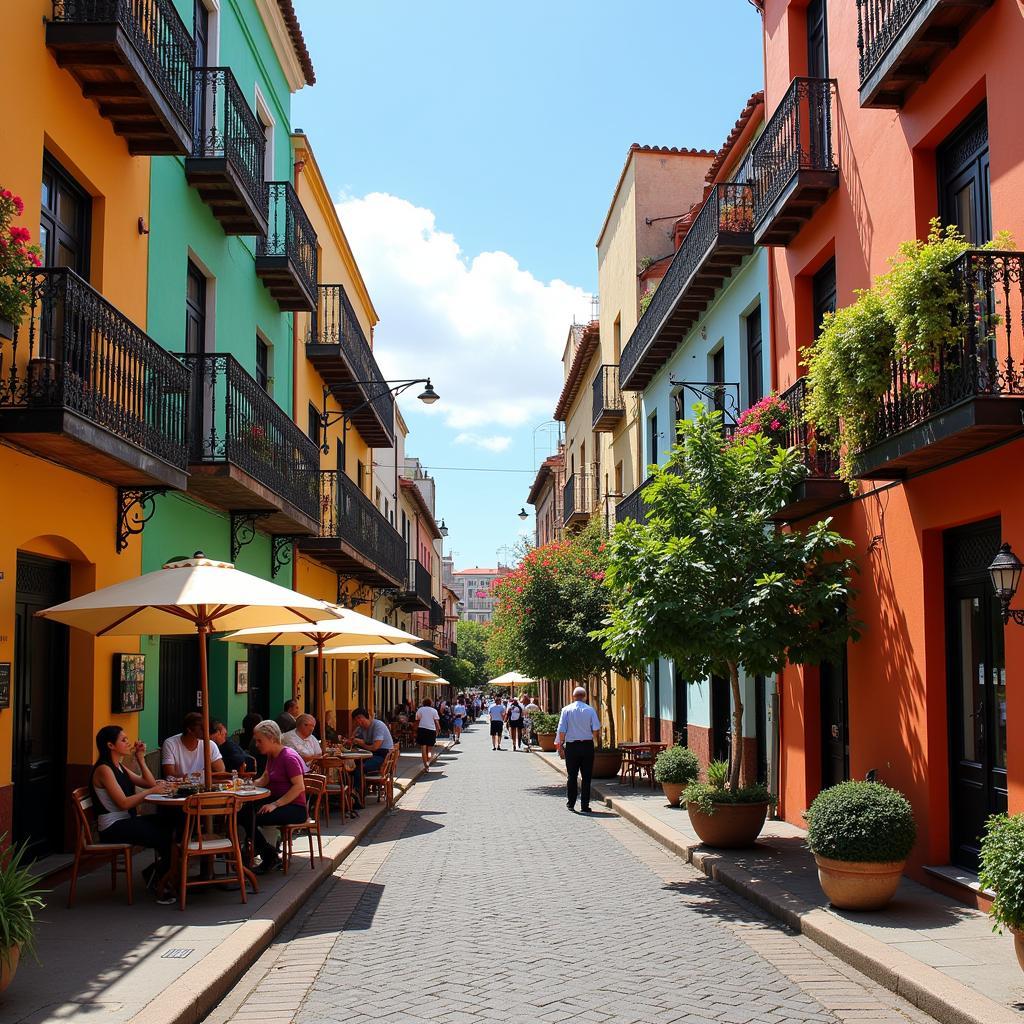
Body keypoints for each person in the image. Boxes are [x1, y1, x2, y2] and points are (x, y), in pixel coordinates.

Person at [90, 726, 177, 904]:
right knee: (165, 836)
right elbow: (124, 803)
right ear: (110, 745)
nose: (128, 742)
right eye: (123, 740)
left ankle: (157, 873)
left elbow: (148, 782)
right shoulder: (104, 770)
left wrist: (140, 758)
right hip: (112, 827)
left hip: (125, 821)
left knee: (172, 824)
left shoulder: (118, 766)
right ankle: (159, 878)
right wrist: (152, 790)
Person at [249, 720, 309, 874]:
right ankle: (268, 854)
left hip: (294, 808)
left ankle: (268, 856)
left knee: (254, 818)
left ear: (272, 738)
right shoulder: (272, 756)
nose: (257, 744)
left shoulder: (288, 757)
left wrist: (275, 804)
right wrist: (245, 786)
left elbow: (299, 787)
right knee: (243, 813)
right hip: (279, 803)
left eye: (259, 740)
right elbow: (265, 779)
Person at [555, 687, 601, 813]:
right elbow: (596, 728)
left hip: (572, 747)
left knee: (572, 776)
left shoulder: (566, 710)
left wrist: (561, 746)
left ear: (573, 696)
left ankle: (571, 803)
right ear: (585, 696)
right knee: (586, 777)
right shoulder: (590, 710)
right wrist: (593, 740)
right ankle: (585, 805)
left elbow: (562, 730)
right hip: (587, 746)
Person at [161, 712, 225, 778]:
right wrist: (197, 776)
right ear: (189, 730)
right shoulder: (170, 743)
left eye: (205, 727)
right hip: (179, 786)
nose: (206, 731)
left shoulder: (210, 744)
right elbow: (169, 774)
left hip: (202, 786)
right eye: (201, 729)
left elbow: (220, 770)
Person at [350, 707, 394, 798]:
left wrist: (362, 744)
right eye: (356, 721)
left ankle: (358, 796)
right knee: (350, 766)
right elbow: (352, 738)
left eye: (359, 719)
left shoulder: (378, 725)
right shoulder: (361, 728)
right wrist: (352, 739)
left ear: (365, 717)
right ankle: (355, 791)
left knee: (360, 768)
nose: (358, 723)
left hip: (382, 756)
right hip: (371, 755)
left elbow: (375, 747)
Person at [415, 697, 441, 771]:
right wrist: (438, 729)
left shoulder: (420, 710)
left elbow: (417, 719)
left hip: (422, 729)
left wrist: (415, 730)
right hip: (431, 730)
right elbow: (436, 722)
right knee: (429, 749)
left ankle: (425, 765)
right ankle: (428, 763)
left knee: (423, 747)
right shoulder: (434, 711)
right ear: (431, 703)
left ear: (423, 703)